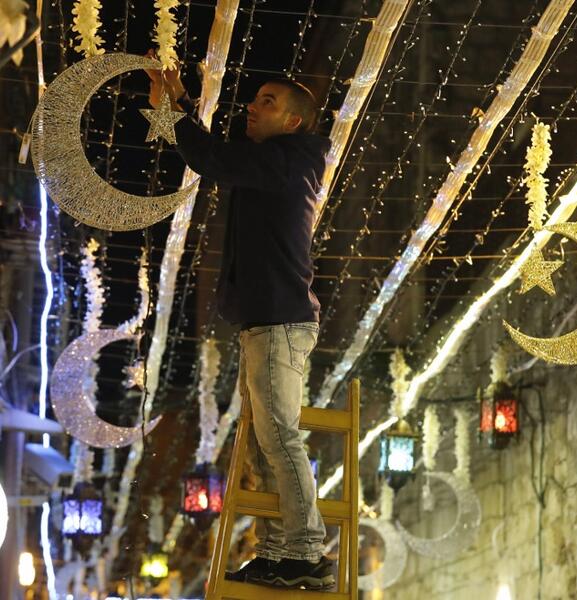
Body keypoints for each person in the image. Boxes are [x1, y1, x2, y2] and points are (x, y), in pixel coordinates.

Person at [145, 54, 333, 590]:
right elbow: (218, 155)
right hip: (267, 321)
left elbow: (211, 158)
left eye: (266, 103)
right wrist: (180, 104)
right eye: (255, 99)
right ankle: (277, 551)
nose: (252, 107)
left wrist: (176, 111)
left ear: (292, 121)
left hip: (279, 320)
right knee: (265, 443)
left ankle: (307, 552)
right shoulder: (276, 161)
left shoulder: (285, 161)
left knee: (280, 438)